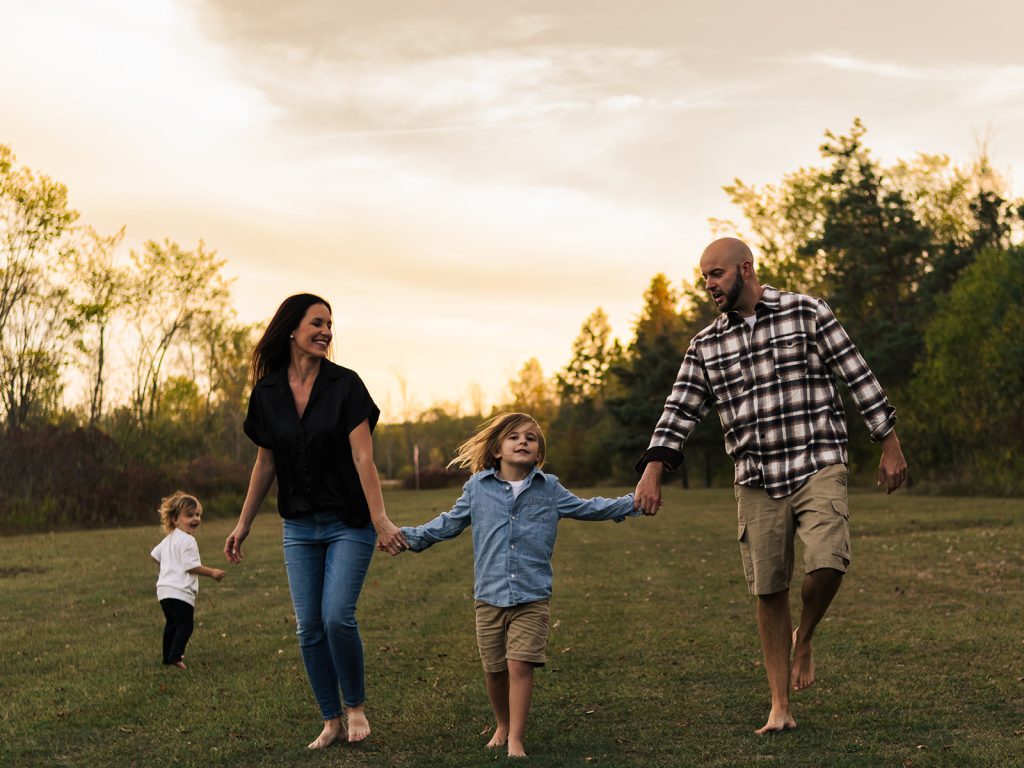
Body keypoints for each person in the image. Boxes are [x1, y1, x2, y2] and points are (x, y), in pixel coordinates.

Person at [634, 237, 908, 735]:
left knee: (827, 563)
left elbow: (856, 373)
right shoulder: (706, 345)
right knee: (768, 591)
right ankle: (780, 706)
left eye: (715, 275)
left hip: (816, 459)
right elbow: (678, 411)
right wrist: (653, 469)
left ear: (746, 268)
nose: (709, 286)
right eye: (704, 279)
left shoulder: (807, 312)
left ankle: (805, 637)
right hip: (756, 477)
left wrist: (888, 442)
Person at [394, 412, 641, 759]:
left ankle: (516, 740)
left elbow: (589, 508)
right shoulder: (477, 488)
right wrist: (406, 538)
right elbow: (447, 524)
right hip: (490, 595)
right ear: (497, 449)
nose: (523, 441)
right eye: (514, 437)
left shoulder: (549, 488)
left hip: (532, 595)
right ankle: (502, 724)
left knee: (519, 665)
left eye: (531, 437)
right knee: (494, 671)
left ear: (539, 452)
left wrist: (633, 503)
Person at [223, 293, 407, 750]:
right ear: (291, 328)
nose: (326, 331)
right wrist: (244, 522)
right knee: (308, 626)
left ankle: (356, 707)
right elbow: (265, 463)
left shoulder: (346, 386)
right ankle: (331, 719)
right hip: (300, 528)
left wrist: (380, 519)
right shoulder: (267, 394)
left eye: (330, 325)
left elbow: (364, 458)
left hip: (349, 521)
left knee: (337, 617)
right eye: (317, 323)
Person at [151, 491, 225, 669]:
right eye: (190, 515)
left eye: (198, 514)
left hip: (164, 591)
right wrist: (212, 572)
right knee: (185, 625)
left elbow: (154, 555)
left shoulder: (169, 539)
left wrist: (168, 567)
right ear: (175, 519)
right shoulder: (188, 541)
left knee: (171, 624)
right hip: (180, 592)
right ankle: (176, 656)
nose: (196, 519)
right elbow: (191, 566)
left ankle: (167, 657)